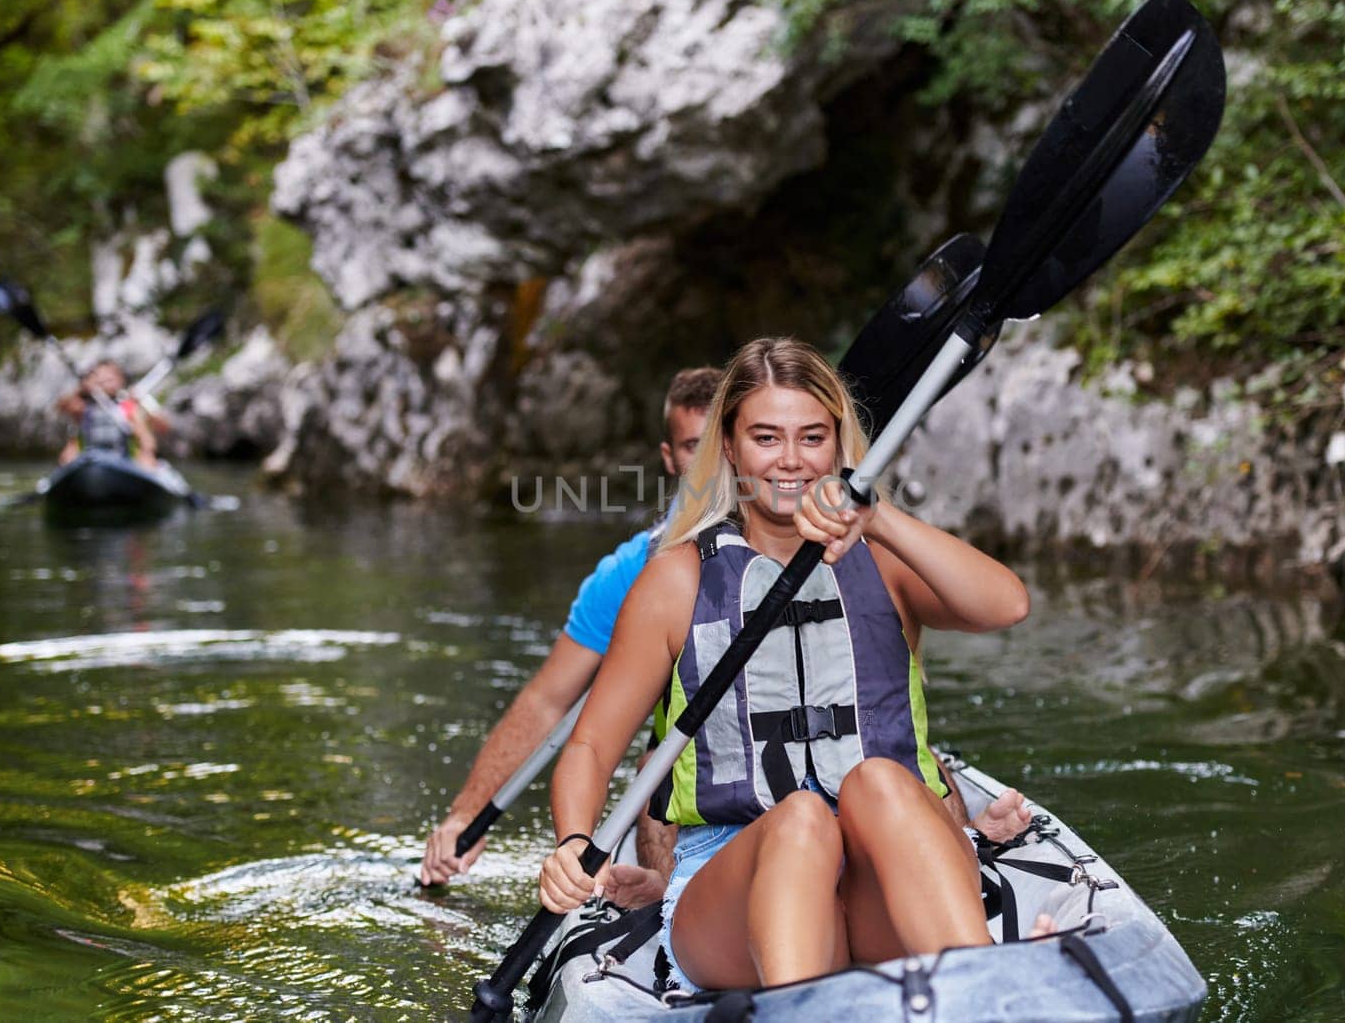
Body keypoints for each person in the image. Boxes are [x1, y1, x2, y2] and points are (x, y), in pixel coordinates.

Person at [539, 337, 1046, 993]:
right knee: (802, 816)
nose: (791, 459)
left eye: (812, 436)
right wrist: (572, 841)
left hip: (873, 882)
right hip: (729, 889)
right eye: (766, 436)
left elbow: (1007, 605)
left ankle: (984, 995)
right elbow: (589, 744)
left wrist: (879, 518)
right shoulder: (676, 580)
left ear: (838, 444)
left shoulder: (886, 560)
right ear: (729, 445)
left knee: (882, 782)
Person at [418, 367, 722, 901]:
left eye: (717, 441)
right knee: (657, 766)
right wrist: (466, 816)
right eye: (693, 446)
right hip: (686, 760)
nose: (708, 462)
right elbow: (546, 701)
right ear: (669, 457)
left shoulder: (801, 535)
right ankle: (669, 919)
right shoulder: (632, 571)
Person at [56, 360, 160, 470]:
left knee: (147, 457)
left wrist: (147, 453)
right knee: (69, 453)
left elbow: (146, 438)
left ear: (120, 381)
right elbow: (62, 406)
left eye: (109, 380)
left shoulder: (126, 405)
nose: (105, 383)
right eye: (101, 380)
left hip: (121, 458)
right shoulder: (83, 405)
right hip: (88, 458)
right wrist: (82, 389)